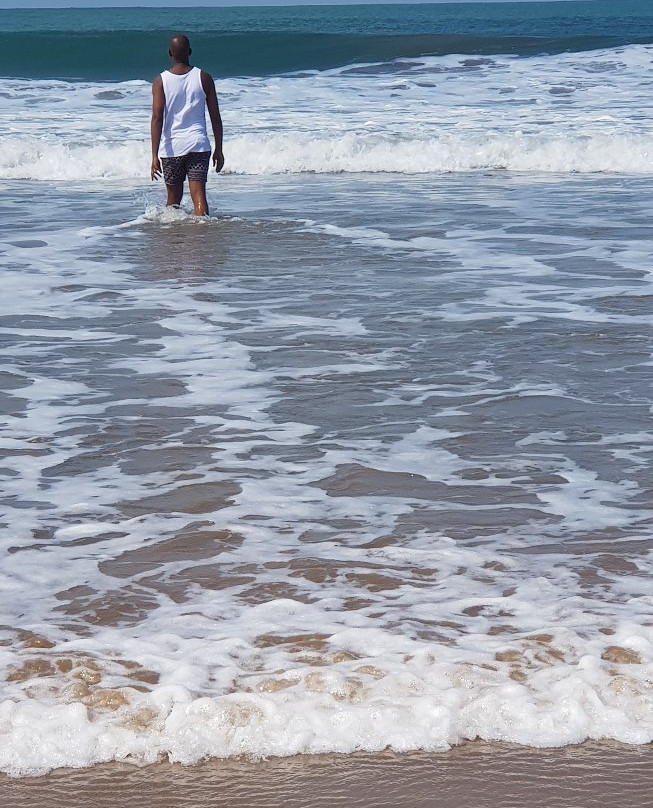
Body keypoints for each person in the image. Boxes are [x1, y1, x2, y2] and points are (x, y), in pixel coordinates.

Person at [150, 35, 224, 216]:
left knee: (173, 201)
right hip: (198, 145)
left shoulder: (161, 81)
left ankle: (173, 233)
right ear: (190, 51)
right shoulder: (204, 78)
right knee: (199, 197)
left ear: (170, 53)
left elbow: (157, 118)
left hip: (172, 147)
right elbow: (215, 117)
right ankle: (203, 230)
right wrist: (219, 149)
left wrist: (154, 155)